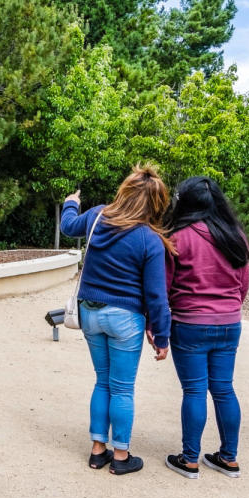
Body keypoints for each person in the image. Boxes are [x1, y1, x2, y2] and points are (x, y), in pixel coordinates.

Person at [60, 165, 173, 476]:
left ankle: (98, 451)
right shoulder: (148, 239)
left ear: (125, 190)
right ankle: (121, 455)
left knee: (102, 381)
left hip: (90, 313)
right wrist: (161, 337)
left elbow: (68, 226)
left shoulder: (98, 216)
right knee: (122, 388)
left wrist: (71, 202)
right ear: (155, 203)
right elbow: (156, 296)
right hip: (125, 318)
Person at [162, 177, 249, 480]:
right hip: (229, 322)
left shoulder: (178, 238)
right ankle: (229, 458)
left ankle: (189, 460)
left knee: (195, 390)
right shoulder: (236, 236)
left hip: (189, 323)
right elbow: (243, 286)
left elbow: (166, 286)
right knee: (224, 389)